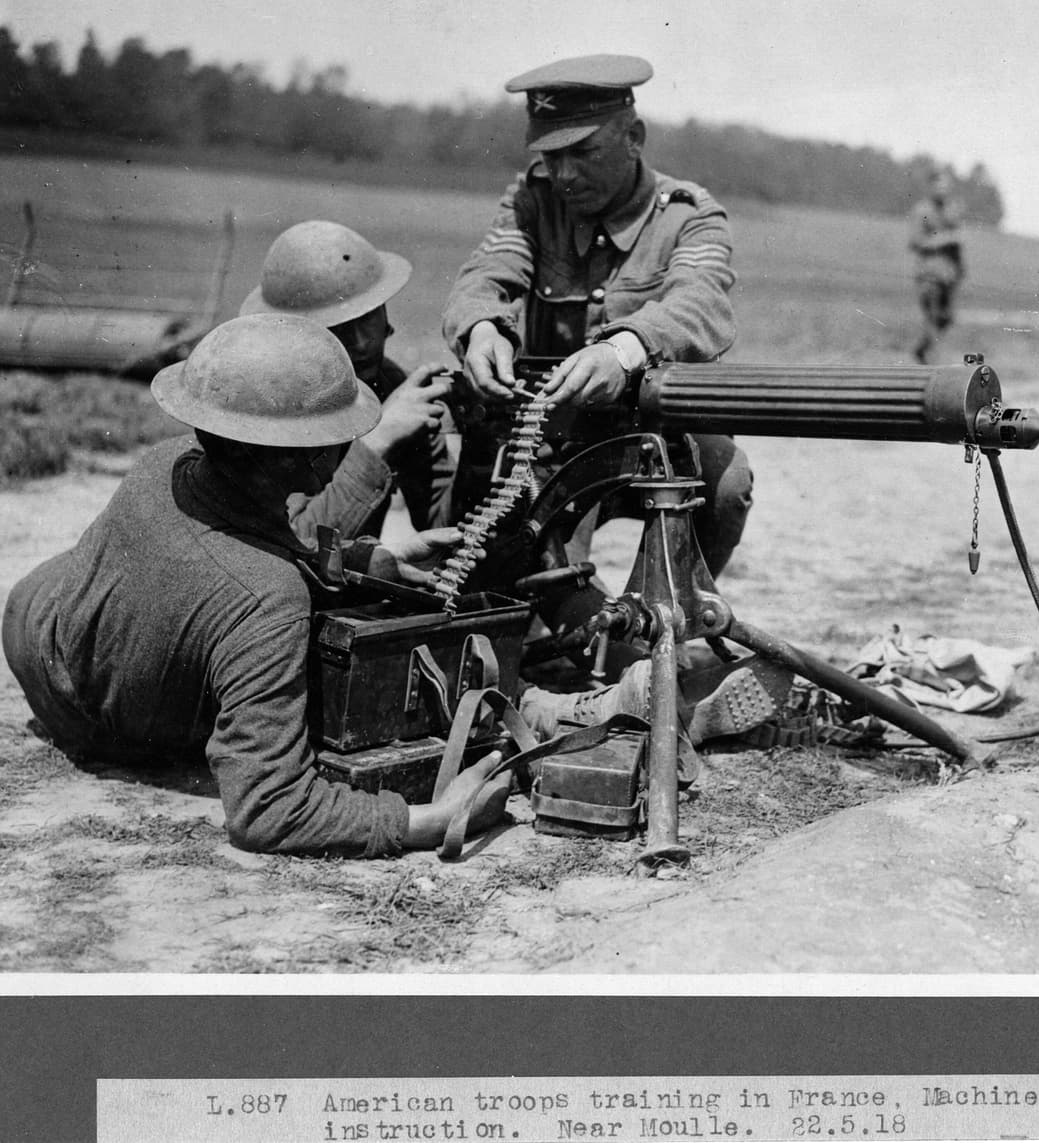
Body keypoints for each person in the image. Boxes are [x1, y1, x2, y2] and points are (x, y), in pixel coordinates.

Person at [1, 314, 778, 856]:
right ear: (305, 457)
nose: (336, 451)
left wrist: (361, 559)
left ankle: (571, 703)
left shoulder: (169, 465)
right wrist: (429, 817)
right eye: (330, 439)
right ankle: (563, 711)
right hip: (113, 722)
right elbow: (268, 808)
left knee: (334, 606)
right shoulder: (264, 600)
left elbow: (248, 538)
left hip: (38, 627)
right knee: (351, 671)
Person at [441, 53, 753, 583]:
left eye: (583, 152)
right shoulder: (532, 201)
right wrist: (481, 327)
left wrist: (624, 350)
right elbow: (488, 272)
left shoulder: (689, 215)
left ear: (634, 137)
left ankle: (678, 609)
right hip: (558, 435)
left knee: (727, 483)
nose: (564, 174)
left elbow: (701, 304)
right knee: (545, 592)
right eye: (551, 155)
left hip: (657, 431)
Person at [240, 219, 455, 536]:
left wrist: (480, 453)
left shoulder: (390, 385)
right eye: (339, 327)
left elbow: (443, 525)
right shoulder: (268, 409)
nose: (362, 342)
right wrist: (378, 441)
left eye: (368, 318)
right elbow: (291, 542)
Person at [908, 170, 965, 364]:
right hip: (929, 273)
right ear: (931, 187)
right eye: (939, 186)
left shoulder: (952, 210)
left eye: (946, 186)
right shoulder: (921, 211)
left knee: (947, 318)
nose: (943, 190)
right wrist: (944, 239)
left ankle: (922, 350)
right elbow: (915, 241)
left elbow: (958, 239)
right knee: (932, 317)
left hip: (949, 274)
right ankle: (932, 363)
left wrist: (960, 269)